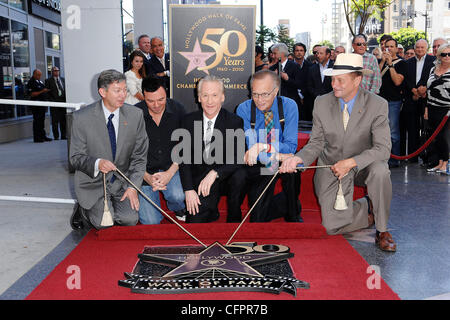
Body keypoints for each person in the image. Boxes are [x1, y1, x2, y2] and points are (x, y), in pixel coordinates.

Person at [280, 53, 396, 252]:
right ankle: (368, 207)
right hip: (331, 166)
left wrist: (351, 162)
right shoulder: (321, 103)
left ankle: (382, 229)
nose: (334, 84)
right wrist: (299, 158)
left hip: (364, 166)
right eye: (333, 79)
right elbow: (316, 143)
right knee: (331, 227)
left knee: (380, 171)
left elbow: (383, 149)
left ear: (357, 80)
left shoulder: (378, 105)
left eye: (340, 80)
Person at [69, 69, 148, 230]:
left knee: (129, 220)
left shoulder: (136, 115)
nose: (123, 95)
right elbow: (75, 157)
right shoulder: (81, 118)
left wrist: (133, 187)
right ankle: (83, 209)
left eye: (125, 90)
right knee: (105, 224)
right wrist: (97, 163)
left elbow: (140, 157)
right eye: (117, 90)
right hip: (94, 183)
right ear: (102, 92)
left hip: (122, 181)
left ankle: (114, 206)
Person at [235, 70, 302, 223]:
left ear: (276, 91)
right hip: (259, 163)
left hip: (279, 158)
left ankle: (293, 214)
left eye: (265, 94)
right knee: (258, 219)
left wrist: (264, 147)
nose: (259, 100)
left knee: (293, 167)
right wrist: (274, 154)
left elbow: (291, 146)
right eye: (255, 94)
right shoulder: (244, 109)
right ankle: (280, 205)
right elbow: (252, 152)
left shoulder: (289, 106)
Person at [178, 76, 244, 223]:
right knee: (194, 222)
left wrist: (215, 173)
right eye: (205, 95)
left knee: (240, 175)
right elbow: (184, 159)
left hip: (223, 176)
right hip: (200, 178)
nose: (209, 101)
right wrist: (188, 189)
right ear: (199, 97)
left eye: (214, 95)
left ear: (222, 97)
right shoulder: (188, 121)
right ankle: (211, 210)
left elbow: (238, 157)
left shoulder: (234, 121)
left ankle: (234, 219)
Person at [134, 77, 186, 224]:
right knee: (150, 222)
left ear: (166, 94)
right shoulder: (135, 113)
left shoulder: (179, 109)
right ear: (143, 95)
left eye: (161, 99)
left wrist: (170, 173)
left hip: (172, 167)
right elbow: (129, 151)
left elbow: (186, 145)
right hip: (145, 171)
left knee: (177, 196)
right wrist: (146, 177)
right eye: (150, 101)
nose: (156, 105)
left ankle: (178, 208)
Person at [401, 39, 436, 162]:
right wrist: (413, 90)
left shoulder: (433, 61)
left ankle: (428, 158)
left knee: (428, 128)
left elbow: (433, 78)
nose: (420, 49)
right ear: (414, 48)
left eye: (422, 47)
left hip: (427, 99)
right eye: (418, 47)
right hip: (412, 98)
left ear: (427, 48)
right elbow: (405, 80)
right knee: (412, 129)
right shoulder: (408, 62)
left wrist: (423, 90)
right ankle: (412, 157)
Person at [378, 38, 407, 168]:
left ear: (396, 48)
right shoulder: (380, 62)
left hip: (393, 101)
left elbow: (397, 81)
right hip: (379, 101)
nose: (388, 49)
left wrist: (390, 65)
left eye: (391, 46)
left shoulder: (402, 63)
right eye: (386, 47)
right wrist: (383, 61)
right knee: (380, 131)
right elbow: (376, 77)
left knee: (393, 132)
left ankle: (394, 159)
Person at [425, 43, 450, 174]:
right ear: (439, 55)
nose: (446, 57)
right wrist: (426, 109)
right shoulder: (432, 69)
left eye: (449, 54)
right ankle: (440, 163)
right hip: (433, 107)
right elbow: (428, 90)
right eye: (443, 54)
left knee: (445, 137)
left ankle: (445, 163)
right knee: (436, 137)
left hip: (447, 109)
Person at [269, 43, 302, 113]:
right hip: (275, 102)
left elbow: (299, 84)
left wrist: (288, 79)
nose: (273, 56)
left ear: (282, 53)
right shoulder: (272, 68)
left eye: (275, 53)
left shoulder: (295, 66)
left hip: (290, 102)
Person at [27, 69, 51, 143]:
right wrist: (42, 91)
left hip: (42, 105)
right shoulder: (31, 82)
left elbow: (42, 89)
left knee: (41, 121)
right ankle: (37, 138)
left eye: (40, 75)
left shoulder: (39, 82)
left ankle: (42, 136)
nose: (39, 76)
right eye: (38, 75)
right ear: (34, 74)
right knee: (37, 121)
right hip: (36, 105)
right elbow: (32, 94)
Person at [293, 42, 314, 121]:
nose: (299, 52)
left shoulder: (311, 66)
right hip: (293, 99)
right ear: (294, 52)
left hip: (307, 100)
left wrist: (302, 95)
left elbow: (311, 83)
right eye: (297, 50)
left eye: (301, 50)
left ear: (304, 52)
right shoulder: (289, 65)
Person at [45, 66, 67, 140]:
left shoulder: (63, 79)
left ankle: (63, 135)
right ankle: (56, 136)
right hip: (54, 103)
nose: (56, 72)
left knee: (63, 120)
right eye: (55, 71)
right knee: (55, 121)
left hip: (63, 102)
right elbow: (47, 92)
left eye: (57, 70)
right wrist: (51, 100)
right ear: (52, 72)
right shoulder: (48, 80)